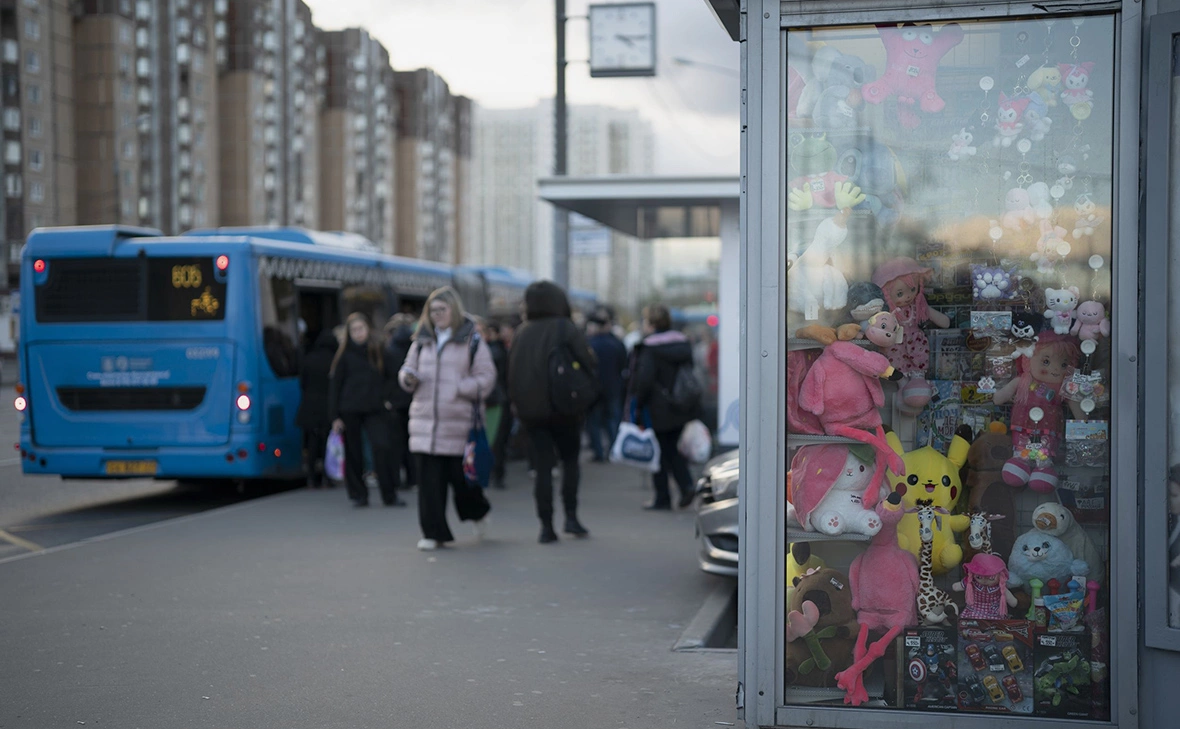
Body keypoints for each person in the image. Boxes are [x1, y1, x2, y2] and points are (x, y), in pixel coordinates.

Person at [399, 287, 496, 551]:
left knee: (462, 482)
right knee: (429, 485)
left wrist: (460, 387)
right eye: (432, 310)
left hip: (459, 424)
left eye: (442, 310)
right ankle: (434, 532)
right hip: (425, 424)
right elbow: (408, 368)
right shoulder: (421, 340)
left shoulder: (472, 339)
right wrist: (408, 378)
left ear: (454, 310)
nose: (437, 315)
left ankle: (478, 512)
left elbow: (487, 377)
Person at [508, 281, 597, 544]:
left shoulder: (521, 332)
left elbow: (512, 375)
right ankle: (571, 517)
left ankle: (546, 526)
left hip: (533, 414)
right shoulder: (565, 328)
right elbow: (589, 363)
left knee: (543, 468)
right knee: (570, 462)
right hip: (566, 409)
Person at [329, 313, 406, 508]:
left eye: (361, 329)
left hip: (375, 407)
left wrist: (387, 397)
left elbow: (392, 375)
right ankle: (358, 494)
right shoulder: (344, 355)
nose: (358, 333)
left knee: (382, 447)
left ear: (368, 329)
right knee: (354, 453)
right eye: (354, 330)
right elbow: (335, 385)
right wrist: (335, 416)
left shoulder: (378, 351)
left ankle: (389, 494)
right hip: (350, 409)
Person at [630, 304, 700, 511]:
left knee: (659, 453)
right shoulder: (682, 344)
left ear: (651, 323)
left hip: (658, 408)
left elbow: (644, 381)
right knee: (671, 449)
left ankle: (663, 497)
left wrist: (638, 405)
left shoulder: (649, 348)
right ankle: (685, 485)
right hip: (681, 404)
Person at [297, 329, 339, 488]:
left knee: (312, 443)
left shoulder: (309, 359)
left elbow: (302, 383)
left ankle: (312, 477)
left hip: (309, 406)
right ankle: (328, 477)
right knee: (327, 443)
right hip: (327, 406)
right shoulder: (334, 360)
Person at [585, 314, 628, 462]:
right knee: (613, 420)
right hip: (613, 387)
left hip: (594, 389)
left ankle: (598, 452)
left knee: (594, 422)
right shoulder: (616, 343)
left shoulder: (589, 343)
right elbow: (624, 364)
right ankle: (615, 450)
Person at [384, 312, 418, 491]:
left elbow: (387, 377)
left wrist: (387, 398)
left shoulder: (389, 350)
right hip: (413, 400)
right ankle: (414, 479)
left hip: (395, 403)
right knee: (412, 443)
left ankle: (396, 480)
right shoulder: (416, 347)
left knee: (396, 444)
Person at [482, 321, 512, 489]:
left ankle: (494, 472)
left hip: (494, 400)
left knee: (495, 439)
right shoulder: (500, 350)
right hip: (498, 399)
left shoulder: (492, 351)